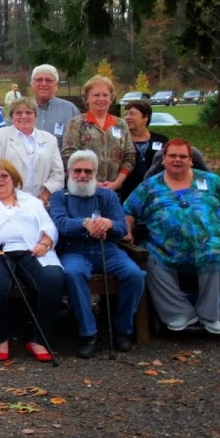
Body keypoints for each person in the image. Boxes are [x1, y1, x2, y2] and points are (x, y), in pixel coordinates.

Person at [124, 139, 220, 334]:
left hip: (207, 244)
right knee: (149, 259)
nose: (177, 160)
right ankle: (178, 313)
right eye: (172, 156)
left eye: (182, 156)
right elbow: (128, 210)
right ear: (163, 160)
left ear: (191, 160)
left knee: (218, 254)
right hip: (164, 247)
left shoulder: (210, 180)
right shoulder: (149, 186)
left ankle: (209, 315)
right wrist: (127, 229)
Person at [0, 160, 63, 362]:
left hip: (30, 250)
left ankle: (38, 339)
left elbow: (49, 227)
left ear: (14, 179)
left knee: (52, 278)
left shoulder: (31, 201)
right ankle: (0, 338)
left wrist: (43, 245)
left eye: (4, 175)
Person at [50, 150, 146, 357]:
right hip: (74, 250)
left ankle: (122, 329)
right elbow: (61, 224)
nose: (82, 175)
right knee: (72, 274)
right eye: (77, 171)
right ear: (69, 172)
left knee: (135, 275)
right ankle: (88, 333)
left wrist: (109, 223)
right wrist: (85, 224)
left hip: (107, 248)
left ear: (95, 173)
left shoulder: (108, 196)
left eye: (87, 171)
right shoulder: (60, 197)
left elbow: (122, 228)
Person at [62, 76, 135, 191]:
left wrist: (117, 182)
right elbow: (69, 155)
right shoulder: (76, 123)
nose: (101, 99)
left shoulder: (121, 124)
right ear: (87, 98)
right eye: (96, 95)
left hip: (114, 190)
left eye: (105, 95)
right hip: (83, 189)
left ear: (111, 98)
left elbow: (129, 156)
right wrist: (92, 182)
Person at [0, 97, 65, 204]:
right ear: (12, 116)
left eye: (29, 113)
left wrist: (43, 198)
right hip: (8, 202)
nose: (24, 116)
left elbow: (58, 174)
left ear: (35, 116)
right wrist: (11, 199)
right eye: (18, 113)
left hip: (42, 203)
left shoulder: (50, 139)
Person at [119, 99, 168, 201]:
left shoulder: (161, 140)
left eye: (132, 114)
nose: (127, 117)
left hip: (155, 191)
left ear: (145, 117)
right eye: (126, 114)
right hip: (127, 193)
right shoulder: (120, 140)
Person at [30, 64, 80, 146]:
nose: (43, 84)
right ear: (32, 84)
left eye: (48, 80)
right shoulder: (21, 111)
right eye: (39, 80)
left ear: (56, 85)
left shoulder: (70, 110)